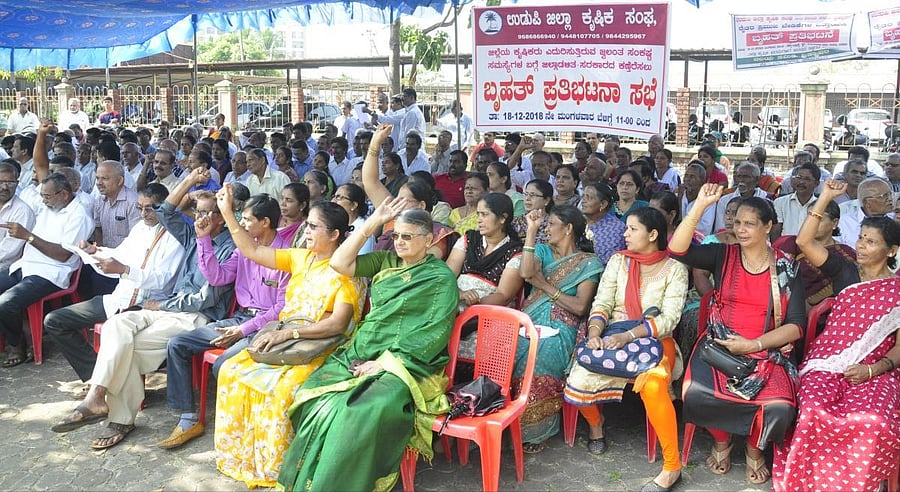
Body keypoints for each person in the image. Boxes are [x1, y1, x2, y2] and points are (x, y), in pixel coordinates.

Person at [277, 201, 458, 491]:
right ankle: (309, 479)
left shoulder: (440, 278)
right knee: (314, 396)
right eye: (396, 235)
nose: (399, 242)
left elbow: (433, 334)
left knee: (360, 411)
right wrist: (372, 222)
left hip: (408, 365)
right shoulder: (385, 261)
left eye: (407, 236)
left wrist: (385, 363)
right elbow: (339, 263)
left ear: (428, 240)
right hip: (361, 350)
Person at [50, 169, 235, 449]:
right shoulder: (192, 234)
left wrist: (163, 304)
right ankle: (96, 395)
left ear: (222, 217)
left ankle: (120, 418)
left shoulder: (229, 248)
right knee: (116, 326)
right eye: (197, 212)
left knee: (128, 347)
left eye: (207, 213)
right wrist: (190, 180)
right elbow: (166, 209)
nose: (199, 218)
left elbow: (204, 299)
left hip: (195, 316)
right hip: (167, 308)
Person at [214, 194, 363, 488]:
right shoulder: (300, 257)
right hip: (284, 339)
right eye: (307, 225)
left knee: (282, 390)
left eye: (314, 227)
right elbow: (251, 250)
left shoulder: (346, 272)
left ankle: (277, 468)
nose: (306, 231)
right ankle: (244, 459)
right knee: (231, 371)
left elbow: (337, 324)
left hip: (321, 347)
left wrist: (289, 333)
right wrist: (227, 212)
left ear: (335, 235)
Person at [669, 187, 806, 485]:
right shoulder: (723, 254)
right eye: (737, 222)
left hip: (766, 351)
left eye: (749, 224)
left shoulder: (786, 267)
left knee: (779, 405)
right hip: (720, 346)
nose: (740, 229)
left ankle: (754, 449)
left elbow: (796, 326)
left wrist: (754, 344)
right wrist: (700, 205)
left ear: (768, 227)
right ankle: (722, 442)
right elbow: (677, 251)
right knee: (698, 392)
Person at [565, 207, 688, 491]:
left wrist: (629, 336)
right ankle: (596, 424)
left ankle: (672, 466)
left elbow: (669, 319)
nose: (626, 234)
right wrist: (594, 333)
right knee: (578, 377)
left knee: (653, 386)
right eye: (626, 228)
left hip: (656, 342)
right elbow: (602, 303)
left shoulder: (675, 269)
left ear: (653, 234)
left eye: (632, 229)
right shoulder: (618, 262)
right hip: (612, 337)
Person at [158, 193, 291, 450]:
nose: (242, 224)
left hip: (266, 327)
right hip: (240, 319)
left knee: (223, 365)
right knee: (177, 344)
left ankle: (238, 427)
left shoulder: (285, 255)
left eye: (247, 219)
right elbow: (217, 277)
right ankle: (188, 418)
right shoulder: (244, 249)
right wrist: (203, 239)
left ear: (265, 222)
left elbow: (280, 310)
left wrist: (242, 330)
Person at [44, 184, 184, 393]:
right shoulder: (140, 228)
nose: (143, 214)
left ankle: (105, 386)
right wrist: (95, 251)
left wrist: (125, 270)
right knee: (55, 320)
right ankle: (96, 377)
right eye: (139, 208)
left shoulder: (175, 236)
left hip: (146, 306)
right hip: (119, 299)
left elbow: (162, 280)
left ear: (164, 206)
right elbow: (120, 254)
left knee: (118, 334)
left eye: (149, 208)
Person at [772, 277, 900, 492]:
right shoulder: (845, 272)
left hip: (877, 369)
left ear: (889, 255)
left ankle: (862, 485)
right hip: (826, 362)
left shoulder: (896, 290)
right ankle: (808, 483)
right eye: (862, 242)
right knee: (812, 409)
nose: (861, 254)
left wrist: (872, 370)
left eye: (870, 243)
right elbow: (805, 250)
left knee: (873, 421)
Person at [517, 205, 601, 453]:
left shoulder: (588, 263)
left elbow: (580, 306)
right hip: (530, 319)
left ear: (568, 229)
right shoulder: (542, 251)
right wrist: (531, 231)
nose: (547, 229)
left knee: (542, 352)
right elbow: (526, 272)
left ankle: (537, 429)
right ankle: (505, 418)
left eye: (551, 224)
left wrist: (544, 285)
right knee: (509, 347)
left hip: (563, 326)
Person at [0, 172, 94, 367]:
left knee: (6, 303)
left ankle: (15, 344)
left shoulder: (79, 216)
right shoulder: (51, 207)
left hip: (51, 273)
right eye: (42, 196)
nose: (43, 201)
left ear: (64, 194)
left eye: (47, 196)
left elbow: (63, 255)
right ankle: (24, 334)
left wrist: (28, 236)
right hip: (26, 266)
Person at [365, 125, 456, 259]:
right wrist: (375, 143)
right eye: (397, 198)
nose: (396, 203)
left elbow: (421, 266)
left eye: (403, 200)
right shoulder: (394, 216)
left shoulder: (436, 234)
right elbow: (370, 181)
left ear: (421, 205)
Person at [447, 192, 524, 317]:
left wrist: (470, 307)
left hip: (486, 313)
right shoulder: (469, 239)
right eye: (478, 214)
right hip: (453, 301)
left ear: (502, 218)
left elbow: (503, 296)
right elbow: (447, 276)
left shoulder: (514, 252)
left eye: (485, 214)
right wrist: (460, 295)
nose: (479, 220)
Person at [774, 199, 856, 309]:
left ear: (834, 223)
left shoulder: (846, 253)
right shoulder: (790, 244)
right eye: (809, 218)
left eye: (819, 219)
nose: (812, 224)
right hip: (783, 306)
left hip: (827, 311)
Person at [582, 182, 626, 266]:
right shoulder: (578, 221)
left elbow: (609, 263)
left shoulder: (616, 229)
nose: (583, 201)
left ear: (603, 204)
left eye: (589, 197)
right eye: (583, 197)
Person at [331, 183, 374, 254]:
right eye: (334, 197)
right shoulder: (334, 224)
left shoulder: (364, 229)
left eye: (338, 197)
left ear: (354, 205)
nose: (333, 201)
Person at [511, 179, 553, 244]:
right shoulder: (516, 222)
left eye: (532, 195)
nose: (527, 198)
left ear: (547, 200)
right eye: (526, 194)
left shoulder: (552, 223)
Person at [278, 182, 310, 248]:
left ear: (302, 205)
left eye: (288, 200)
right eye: (282, 198)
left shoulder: (306, 228)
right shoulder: (275, 218)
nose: (282, 204)